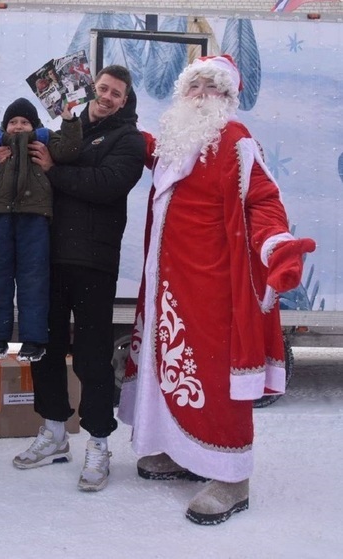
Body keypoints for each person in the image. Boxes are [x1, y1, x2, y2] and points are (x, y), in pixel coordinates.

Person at [117, 55, 316, 525]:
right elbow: (142, 145)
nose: (203, 93)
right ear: (183, 93)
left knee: (213, 378)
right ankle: (180, 451)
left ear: (229, 98)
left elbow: (264, 201)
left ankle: (230, 476)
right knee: (171, 371)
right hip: (168, 289)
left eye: (214, 86)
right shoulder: (173, 138)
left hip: (213, 290)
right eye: (196, 84)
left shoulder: (236, 141)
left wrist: (277, 247)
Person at [10, 65, 145, 492]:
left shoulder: (129, 140)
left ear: (125, 101)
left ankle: (99, 443)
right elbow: (31, 171)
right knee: (44, 349)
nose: (106, 96)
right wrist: (5, 164)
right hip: (48, 259)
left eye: (116, 93)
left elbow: (105, 184)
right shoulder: (62, 128)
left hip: (93, 263)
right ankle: (53, 433)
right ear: (92, 88)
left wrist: (53, 170)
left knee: (91, 357)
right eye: (102, 88)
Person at [0, 97, 82, 362]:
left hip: (35, 219)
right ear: (5, 125)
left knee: (33, 280)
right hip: (0, 217)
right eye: (13, 122)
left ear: (34, 125)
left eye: (25, 122)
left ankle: (33, 341)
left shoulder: (46, 139)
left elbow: (70, 149)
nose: (18, 126)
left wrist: (69, 119)